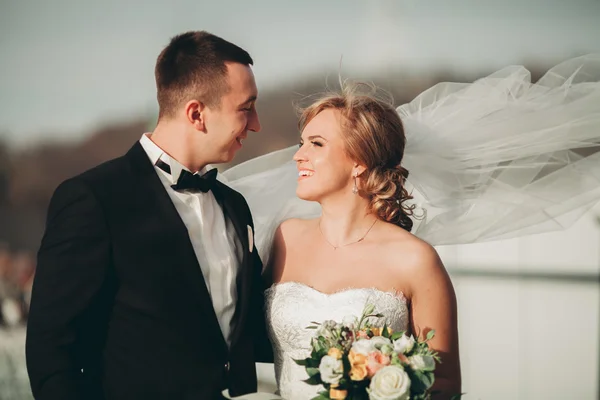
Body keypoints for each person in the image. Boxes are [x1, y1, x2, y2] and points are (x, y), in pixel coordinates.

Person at [220, 54, 600, 399]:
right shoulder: (286, 237)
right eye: (302, 143)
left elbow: (447, 384)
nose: (298, 155)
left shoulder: (415, 259)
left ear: (359, 161)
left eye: (316, 144)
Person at [25, 31, 272, 400]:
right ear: (196, 113)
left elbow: (247, 333)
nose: (256, 124)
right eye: (245, 107)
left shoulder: (236, 206)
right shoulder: (93, 200)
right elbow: (51, 354)